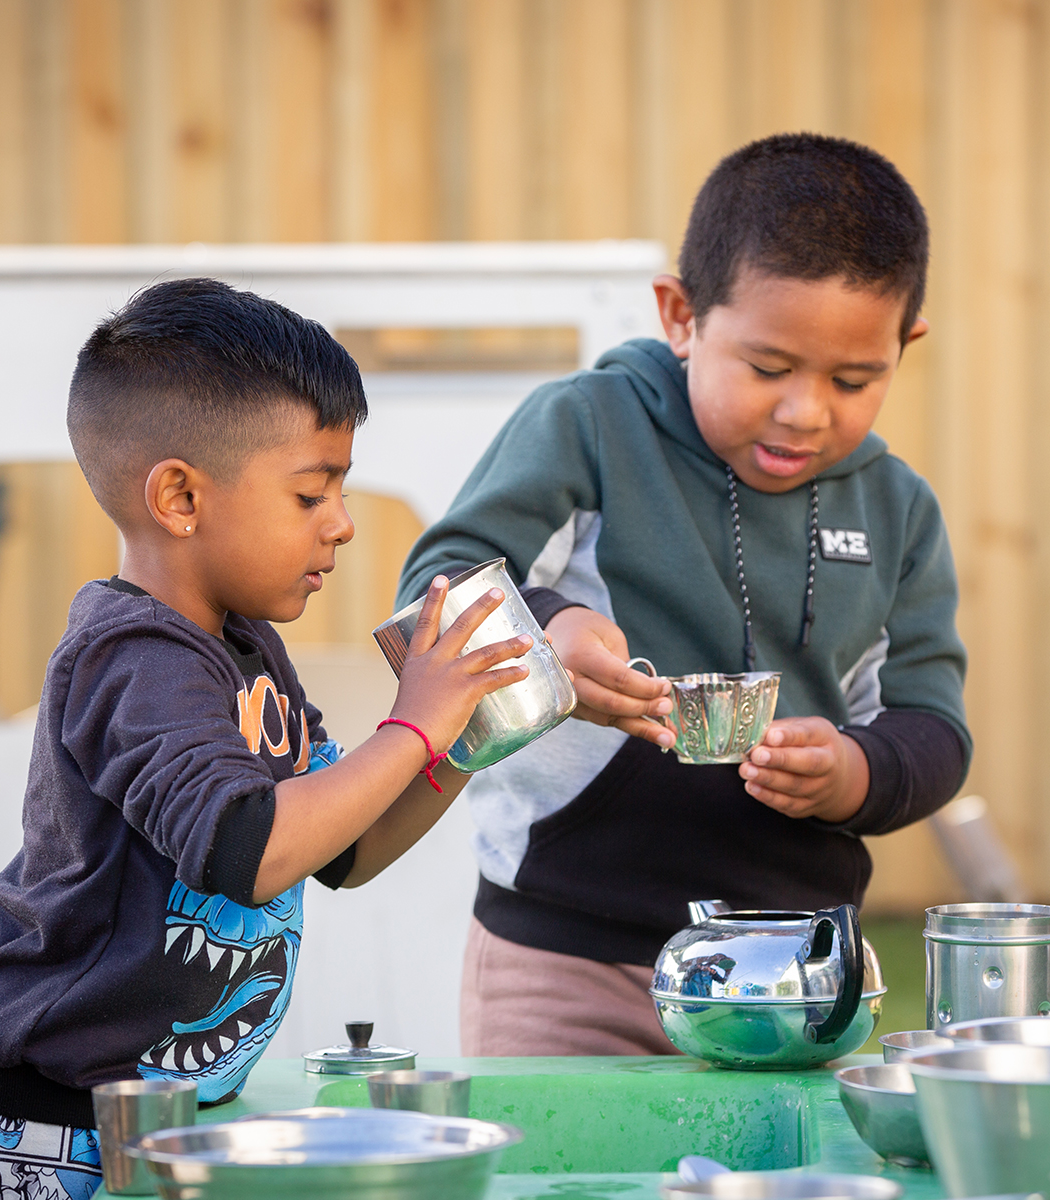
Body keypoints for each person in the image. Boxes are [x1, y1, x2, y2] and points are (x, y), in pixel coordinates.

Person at [0, 279, 531, 1199]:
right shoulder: (128, 657)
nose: (344, 523)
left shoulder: (245, 649)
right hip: (42, 1137)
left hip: (162, 1124)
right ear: (180, 496)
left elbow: (343, 850)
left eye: (342, 488)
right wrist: (414, 724)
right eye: (309, 493)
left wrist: (464, 739)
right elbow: (249, 851)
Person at [398, 133, 972, 1056]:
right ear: (681, 317)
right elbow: (439, 583)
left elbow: (933, 729)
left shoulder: (899, 508)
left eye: (854, 379)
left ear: (907, 344)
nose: (806, 410)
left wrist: (852, 775)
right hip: (567, 960)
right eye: (769, 368)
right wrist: (552, 636)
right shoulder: (585, 427)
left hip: (798, 980)